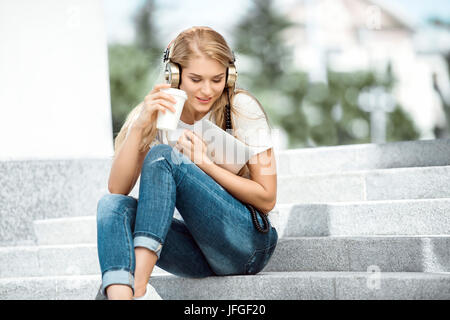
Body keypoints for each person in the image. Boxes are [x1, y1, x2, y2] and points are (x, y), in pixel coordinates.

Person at [96, 26, 278, 300]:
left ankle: (138, 287)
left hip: (247, 246)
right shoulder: (156, 112)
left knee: (163, 158)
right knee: (112, 207)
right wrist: (141, 126)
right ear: (174, 75)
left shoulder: (242, 108)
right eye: (196, 79)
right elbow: (117, 188)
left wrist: (205, 164)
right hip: (197, 254)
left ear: (229, 76)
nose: (208, 90)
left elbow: (267, 198)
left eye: (217, 79)